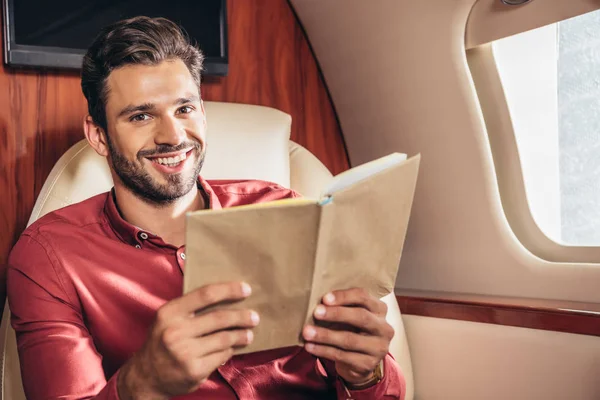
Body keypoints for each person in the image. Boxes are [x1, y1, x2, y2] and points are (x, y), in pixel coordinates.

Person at [7, 16, 405, 400]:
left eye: (184, 109)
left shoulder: (283, 207)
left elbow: (377, 390)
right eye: (141, 116)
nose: (173, 135)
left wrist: (366, 373)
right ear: (98, 135)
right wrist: (143, 382)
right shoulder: (48, 258)